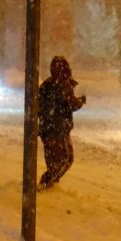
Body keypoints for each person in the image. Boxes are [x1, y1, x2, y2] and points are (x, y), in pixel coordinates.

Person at [38, 56, 85, 188]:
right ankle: (47, 183)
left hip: (46, 128)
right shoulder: (63, 84)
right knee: (67, 159)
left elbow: (39, 105)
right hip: (59, 128)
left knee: (52, 159)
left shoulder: (46, 84)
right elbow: (71, 104)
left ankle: (50, 183)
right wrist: (81, 101)